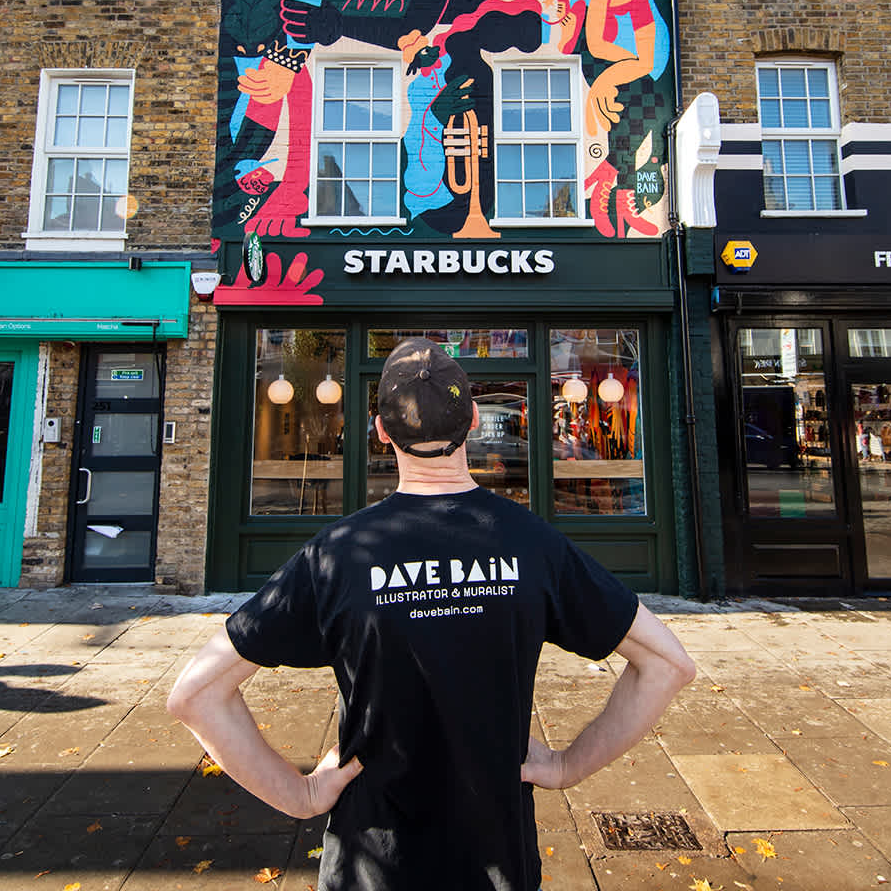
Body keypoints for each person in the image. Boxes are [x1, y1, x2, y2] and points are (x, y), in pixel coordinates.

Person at [167, 338, 696, 890]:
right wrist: (568, 766)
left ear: (381, 430)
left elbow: (195, 695)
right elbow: (667, 664)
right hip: (496, 866)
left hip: (372, 866)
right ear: (470, 419)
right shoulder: (534, 545)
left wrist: (298, 795)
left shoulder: (338, 554)